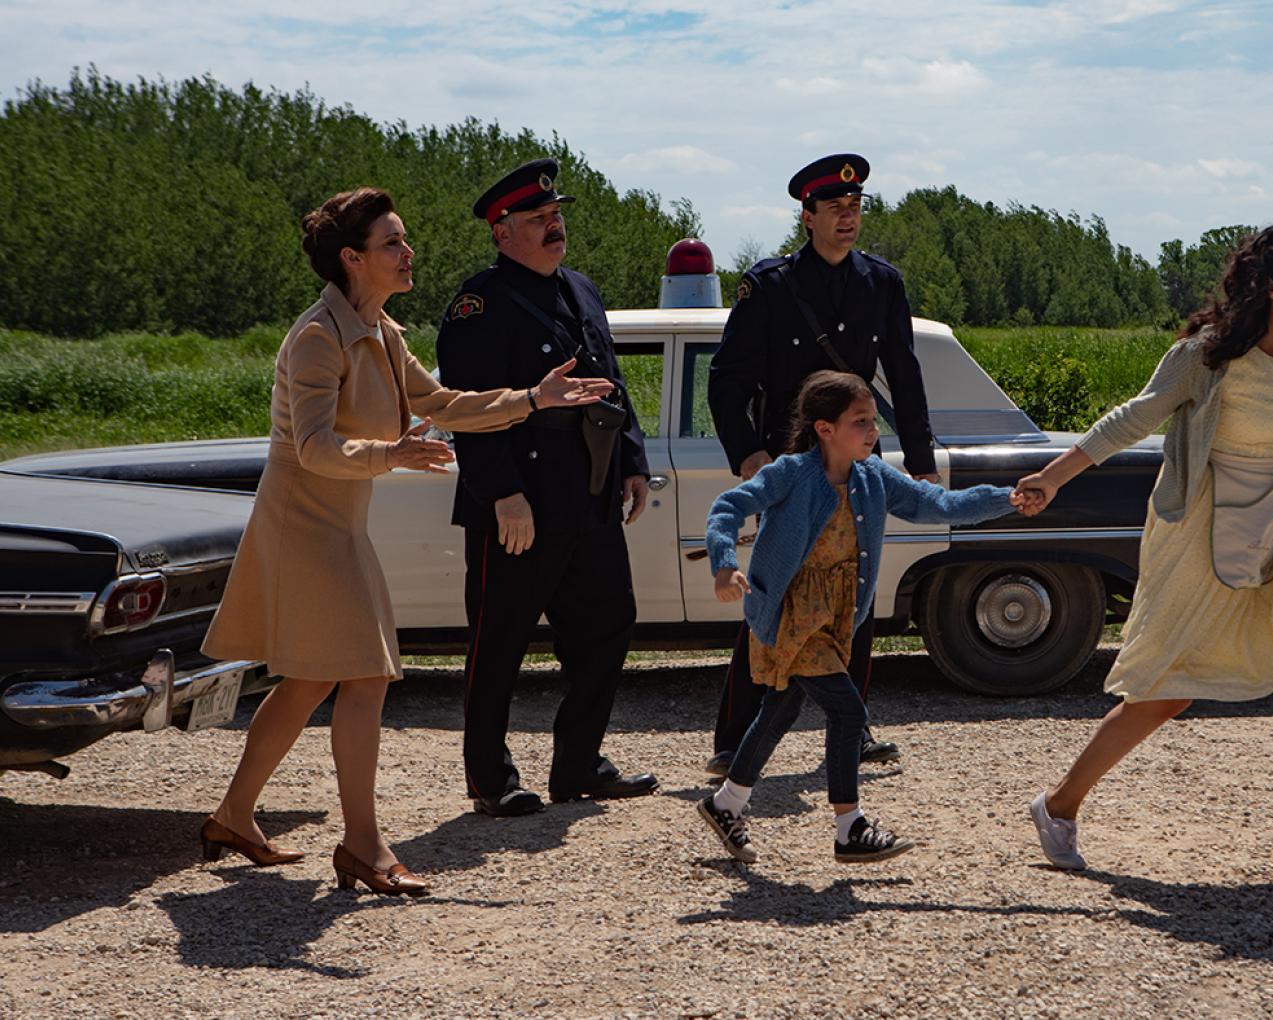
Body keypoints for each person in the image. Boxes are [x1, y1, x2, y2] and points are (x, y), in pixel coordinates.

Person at [200, 188, 614, 895]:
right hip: (304, 527)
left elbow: (445, 404)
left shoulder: (384, 333)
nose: (408, 251)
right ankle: (363, 844)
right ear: (352, 259)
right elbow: (312, 446)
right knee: (364, 676)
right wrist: (390, 455)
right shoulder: (317, 337)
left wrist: (532, 399)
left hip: (338, 525)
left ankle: (234, 815)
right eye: (392, 243)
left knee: (309, 683)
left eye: (403, 239)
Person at [1015, 224, 1273, 877]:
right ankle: (1059, 804)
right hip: (1198, 527)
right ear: (1272, 288)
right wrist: (1053, 476)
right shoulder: (1207, 354)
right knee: (1166, 693)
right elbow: (1135, 417)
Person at [696, 371, 1027, 863]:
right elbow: (727, 508)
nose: (873, 432)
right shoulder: (791, 472)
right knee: (848, 712)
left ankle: (726, 803)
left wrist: (1008, 498)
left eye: (873, 421)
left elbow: (938, 503)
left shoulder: (874, 476)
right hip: (790, 613)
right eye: (861, 422)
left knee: (780, 709)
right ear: (824, 429)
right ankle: (849, 827)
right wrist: (724, 565)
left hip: (835, 616)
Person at [435, 158, 660, 818]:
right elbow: (469, 409)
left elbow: (611, 382)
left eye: (556, 215)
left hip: (588, 497)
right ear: (502, 233)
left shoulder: (581, 290)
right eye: (537, 220)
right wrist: (503, 492)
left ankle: (578, 763)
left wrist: (632, 460)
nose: (553, 227)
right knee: (499, 642)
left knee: (608, 625)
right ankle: (491, 779)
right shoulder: (480, 304)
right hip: (519, 505)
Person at [704, 153, 936, 777]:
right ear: (806, 216)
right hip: (793, 462)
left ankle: (851, 728)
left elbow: (905, 375)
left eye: (855, 207)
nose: (847, 218)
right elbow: (728, 378)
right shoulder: (772, 285)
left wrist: (919, 460)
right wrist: (750, 453)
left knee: (853, 592)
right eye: (834, 208)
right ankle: (734, 739)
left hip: (857, 462)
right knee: (774, 591)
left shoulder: (880, 282)